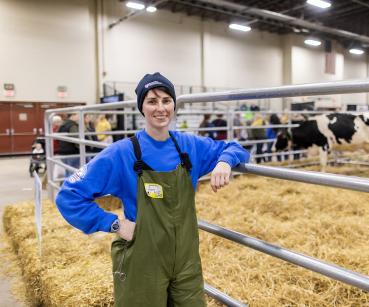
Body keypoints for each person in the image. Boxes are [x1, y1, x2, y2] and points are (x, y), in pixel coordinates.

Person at [55, 72, 249, 307]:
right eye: (152, 101)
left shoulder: (188, 147)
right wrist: (114, 224)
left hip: (186, 260)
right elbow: (69, 196)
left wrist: (224, 161)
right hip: (143, 260)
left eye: (166, 100)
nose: (161, 108)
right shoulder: (122, 153)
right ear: (142, 108)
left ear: (174, 105)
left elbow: (234, 146)